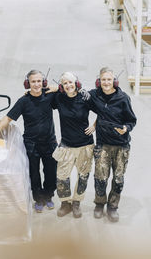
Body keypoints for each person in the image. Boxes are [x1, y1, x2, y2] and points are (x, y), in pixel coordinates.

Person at [0, 70, 57, 213]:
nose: (36, 84)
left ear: (44, 82)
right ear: (27, 83)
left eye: (39, 81)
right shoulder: (23, 101)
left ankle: (48, 196)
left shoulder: (50, 96)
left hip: (49, 142)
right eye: (33, 81)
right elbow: (8, 118)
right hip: (31, 144)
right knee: (33, 174)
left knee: (51, 172)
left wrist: (57, 88)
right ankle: (38, 199)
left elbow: (69, 92)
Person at [89, 67, 137, 222]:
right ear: (99, 82)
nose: (106, 82)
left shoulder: (123, 98)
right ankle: (99, 204)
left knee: (118, 179)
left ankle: (112, 207)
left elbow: (131, 120)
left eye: (109, 79)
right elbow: (76, 94)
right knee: (100, 178)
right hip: (103, 144)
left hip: (121, 146)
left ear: (114, 81)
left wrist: (126, 128)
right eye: (103, 79)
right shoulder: (94, 95)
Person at [50, 72, 96, 218]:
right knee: (62, 177)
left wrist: (94, 125)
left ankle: (76, 203)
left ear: (76, 83)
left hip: (85, 145)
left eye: (70, 82)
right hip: (66, 145)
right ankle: (65, 203)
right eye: (65, 83)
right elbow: (40, 94)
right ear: (61, 86)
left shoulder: (85, 98)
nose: (68, 85)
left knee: (83, 176)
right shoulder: (58, 98)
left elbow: (103, 110)